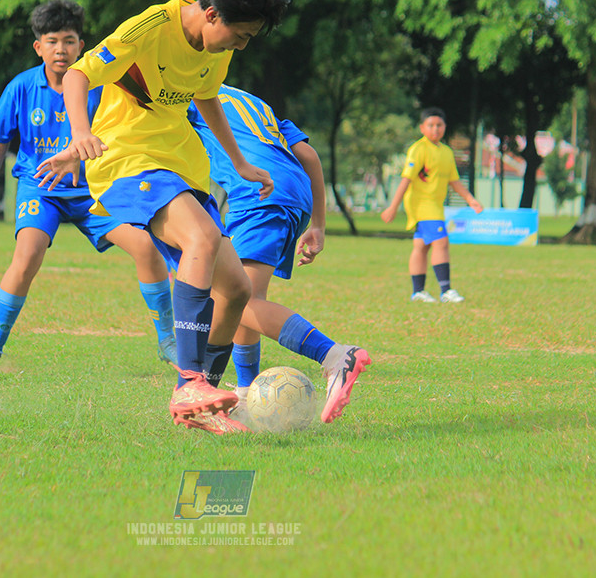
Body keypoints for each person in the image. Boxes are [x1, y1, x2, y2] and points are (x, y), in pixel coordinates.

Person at [38, 0, 290, 435]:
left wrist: (239, 163)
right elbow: (77, 74)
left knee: (235, 289)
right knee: (200, 237)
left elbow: (207, 97)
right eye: (241, 35)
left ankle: (199, 406)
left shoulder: (215, 50)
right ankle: (189, 381)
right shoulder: (151, 27)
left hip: (179, 167)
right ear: (213, 13)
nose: (241, 46)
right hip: (126, 160)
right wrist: (79, 134)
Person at [0, 0, 176, 372]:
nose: (60, 49)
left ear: (82, 45)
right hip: (41, 189)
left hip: (95, 191)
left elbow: (125, 131)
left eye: (68, 40)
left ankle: (168, 342)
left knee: (146, 248)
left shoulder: (103, 86)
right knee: (27, 254)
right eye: (51, 41)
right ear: (38, 47)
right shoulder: (21, 87)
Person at [186, 85, 371, 424]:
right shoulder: (254, 102)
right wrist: (318, 225)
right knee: (246, 296)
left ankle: (334, 355)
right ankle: (244, 394)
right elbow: (310, 156)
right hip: (295, 192)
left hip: (258, 192)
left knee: (236, 299)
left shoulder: (189, 95)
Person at [381, 107, 484, 302]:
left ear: (445, 127)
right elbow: (406, 179)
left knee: (421, 246)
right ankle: (446, 291)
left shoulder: (446, 152)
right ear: (422, 128)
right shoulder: (418, 149)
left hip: (435, 206)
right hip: (421, 205)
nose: (435, 129)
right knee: (441, 242)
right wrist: (393, 206)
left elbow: (454, 181)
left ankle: (418, 292)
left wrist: (471, 200)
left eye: (439, 125)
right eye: (431, 125)